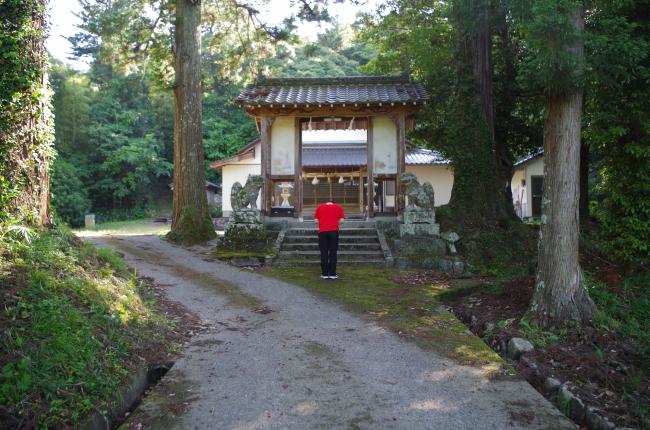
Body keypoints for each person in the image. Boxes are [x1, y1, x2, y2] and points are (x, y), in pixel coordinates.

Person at [313, 200, 345, 279]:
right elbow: (342, 220)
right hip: (334, 231)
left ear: (325, 202)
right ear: (333, 203)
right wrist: (335, 223)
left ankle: (324, 274)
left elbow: (315, 220)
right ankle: (333, 274)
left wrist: (322, 223)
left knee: (324, 252)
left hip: (322, 232)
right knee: (333, 252)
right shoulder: (338, 207)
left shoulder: (319, 207)